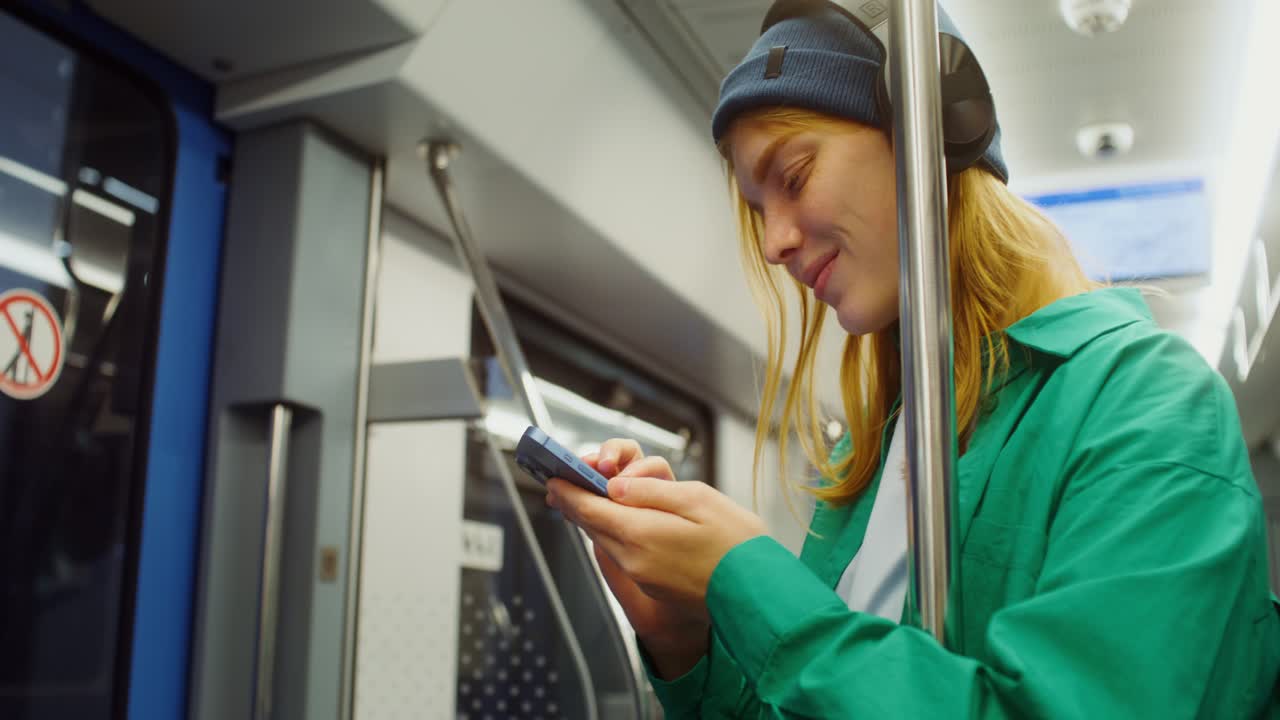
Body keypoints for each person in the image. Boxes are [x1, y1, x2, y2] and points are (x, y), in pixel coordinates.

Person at [544, 1, 1280, 716]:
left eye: (793, 178)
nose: (774, 244)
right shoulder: (871, 465)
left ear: (933, 131)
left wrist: (749, 580)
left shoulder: (1145, 403)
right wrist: (684, 637)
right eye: (760, 210)